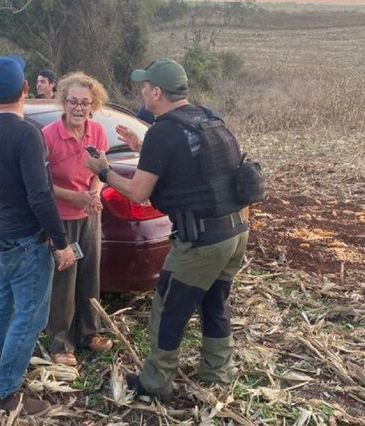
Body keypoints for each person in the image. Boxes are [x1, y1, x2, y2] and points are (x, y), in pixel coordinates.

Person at [86, 59, 250, 402]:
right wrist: (142, 149)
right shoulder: (208, 119)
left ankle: (156, 383)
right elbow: (195, 166)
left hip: (201, 241)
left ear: (157, 92)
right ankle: (217, 373)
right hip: (236, 232)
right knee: (215, 302)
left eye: (145, 86)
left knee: (168, 308)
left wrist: (103, 170)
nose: (142, 90)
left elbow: (137, 193)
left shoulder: (163, 131)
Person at [0, 55, 76, 415]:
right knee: (30, 316)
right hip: (28, 240)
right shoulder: (27, 133)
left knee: (2, 305)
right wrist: (61, 242)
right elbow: (40, 195)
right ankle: (6, 394)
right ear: (26, 89)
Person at [42, 72, 113, 367]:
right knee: (64, 282)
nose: (78, 108)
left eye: (84, 102)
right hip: (61, 219)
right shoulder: (47, 136)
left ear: (93, 104)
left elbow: (101, 171)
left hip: (88, 216)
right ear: (63, 102)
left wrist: (95, 193)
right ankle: (60, 342)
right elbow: (41, 185)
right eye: (72, 101)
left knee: (89, 275)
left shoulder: (96, 132)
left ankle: (89, 333)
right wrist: (76, 198)